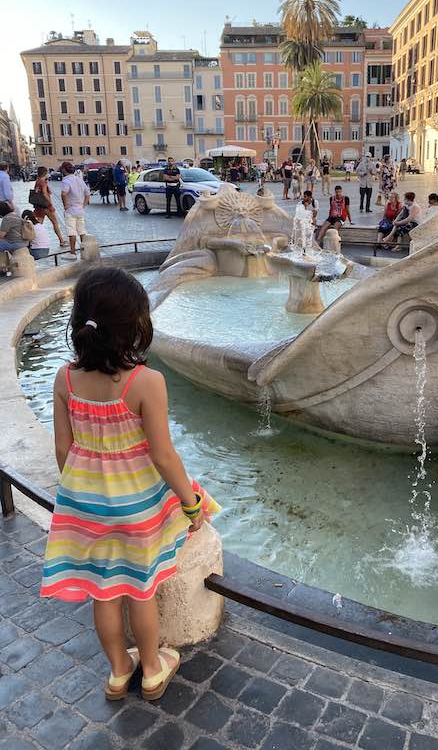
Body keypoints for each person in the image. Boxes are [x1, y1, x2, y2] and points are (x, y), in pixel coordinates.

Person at [40, 266, 220, 703]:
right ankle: (154, 669)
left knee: (103, 593)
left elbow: (63, 451)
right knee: (139, 592)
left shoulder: (65, 378)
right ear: (136, 326)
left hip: (85, 505)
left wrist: (87, 492)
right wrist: (191, 503)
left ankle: (120, 671)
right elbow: (163, 456)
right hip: (135, 508)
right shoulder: (146, 382)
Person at [60, 161, 90, 259]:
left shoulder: (66, 180)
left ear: (64, 170)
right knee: (82, 231)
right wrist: (83, 205)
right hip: (80, 209)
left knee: (71, 231)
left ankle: (72, 253)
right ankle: (85, 251)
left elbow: (64, 193)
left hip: (71, 209)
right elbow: (87, 194)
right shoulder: (79, 179)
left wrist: (65, 205)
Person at [32, 166, 68, 246]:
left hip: (39, 206)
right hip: (46, 206)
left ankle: (33, 240)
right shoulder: (43, 182)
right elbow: (45, 194)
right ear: (45, 173)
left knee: (38, 224)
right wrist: (50, 204)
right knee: (55, 222)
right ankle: (61, 240)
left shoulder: (37, 181)